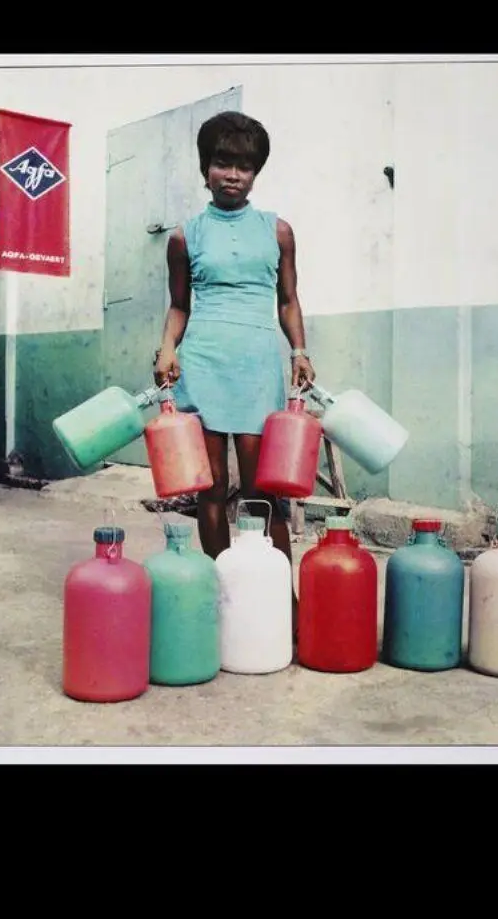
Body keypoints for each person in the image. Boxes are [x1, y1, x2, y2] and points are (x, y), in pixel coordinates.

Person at [153, 110, 315, 641]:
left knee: (265, 490)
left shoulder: (279, 231)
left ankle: (281, 600)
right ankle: (227, 595)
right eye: (222, 162)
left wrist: (299, 351)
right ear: (205, 169)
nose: (232, 175)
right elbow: (180, 305)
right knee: (211, 487)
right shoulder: (184, 236)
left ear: (256, 173)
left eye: (244, 166)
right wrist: (166, 348)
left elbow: (287, 300)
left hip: (258, 367)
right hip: (203, 364)